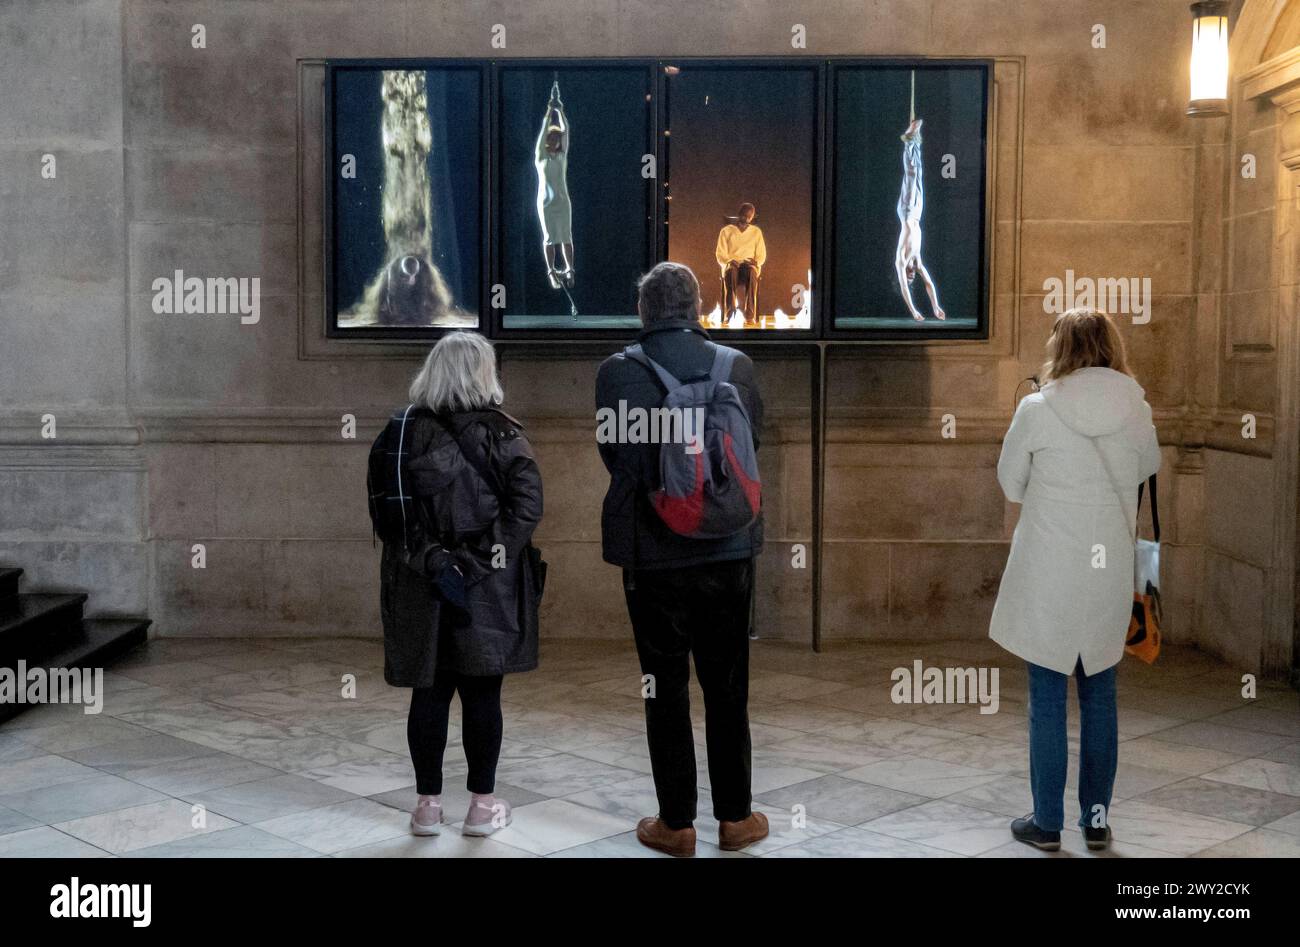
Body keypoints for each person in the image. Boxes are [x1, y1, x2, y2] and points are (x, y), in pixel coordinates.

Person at [594, 261, 767, 857]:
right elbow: (751, 449)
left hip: (654, 555)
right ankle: (738, 819)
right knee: (727, 684)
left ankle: (678, 824)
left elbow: (616, 458)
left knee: (661, 686)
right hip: (730, 548)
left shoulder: (617, 373)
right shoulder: (735, 366)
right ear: (697, 307)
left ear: (644, 311)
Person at [989, 307, 1160, 852]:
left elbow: (1012, 485)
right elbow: (1147, 466)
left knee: (1045, 694)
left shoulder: (1036, 408)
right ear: (1112, 348)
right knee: (1101, 694)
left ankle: (1046, 824)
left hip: (1049, 571)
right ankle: (1097, 820)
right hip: (1106, 568)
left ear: (1060, 348)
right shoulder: (1136, 407)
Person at [367, 332, 543, 838]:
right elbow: (527, 507)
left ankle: (426, 808)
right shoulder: (505, 435)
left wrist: (437, 561)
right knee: (483, 693)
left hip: (419, 583)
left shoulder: (397, 433)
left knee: (430, 692)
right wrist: (475, 562)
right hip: (487, 588)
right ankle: (481, 809)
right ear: (485, 374)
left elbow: (386, 514)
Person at [894, 118, 945, 322]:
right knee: (919, 173)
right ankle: (915, 141)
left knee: (911, 174)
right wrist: (936, 306)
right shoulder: (917, 261)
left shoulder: (902, 260)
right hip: (917, 214)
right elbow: (929, 284)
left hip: (906, 212)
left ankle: (908, 139)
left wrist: (914, 311)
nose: (912, 276)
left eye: (910, 276)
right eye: (912, 276)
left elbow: (905, 289)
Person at [535, 80, 574, 290]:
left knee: (566, 236)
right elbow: (542, 132)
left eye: (557, 137)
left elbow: (567, 131)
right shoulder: (540, 157)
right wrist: (549, 111)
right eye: (553, 137)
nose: (556, 140)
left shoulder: (561, 157)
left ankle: (570, 269)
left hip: (562, 201)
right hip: (545, 203)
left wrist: (560, 110)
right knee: (549, 238)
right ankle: (551, 272)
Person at [715, 203, 766, 323]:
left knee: (752, 272)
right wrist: (728, 261)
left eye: (749, 217)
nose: (746, 219)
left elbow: (761, 253)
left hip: (748, 266)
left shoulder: (756, 232)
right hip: (733, 265)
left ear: (752, 218)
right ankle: (730, 313)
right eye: (744, 215)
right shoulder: (726, 231)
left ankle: (749, 314)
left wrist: (756, 261)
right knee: (731, 272)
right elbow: (720, 252)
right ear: (739, 215)